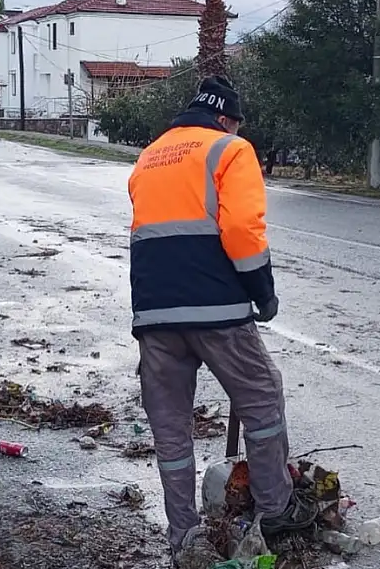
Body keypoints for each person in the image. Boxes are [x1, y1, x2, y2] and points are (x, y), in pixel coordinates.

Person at [127, 75, 317, 564]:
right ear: (227, 119)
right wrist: (263, 294)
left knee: (170, 428)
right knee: (262, 396)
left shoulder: (149, 156)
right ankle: (275, 509)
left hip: (153, 313)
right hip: (217, 311)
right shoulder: (231, 149)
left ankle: (184, 538)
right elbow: (240, 228)